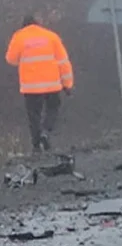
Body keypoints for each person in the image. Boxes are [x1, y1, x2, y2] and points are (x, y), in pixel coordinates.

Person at [6, 14, 73, 152]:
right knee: (53, 108)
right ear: (38, 23)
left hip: (31, 86)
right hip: (52, 84)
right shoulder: (51, 36)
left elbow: (10, 59)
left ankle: (36, 146)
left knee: (33, 114)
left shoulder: (19, 37)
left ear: (24, 24)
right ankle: (46, 132)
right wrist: (67, 84)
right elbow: (63, 62)